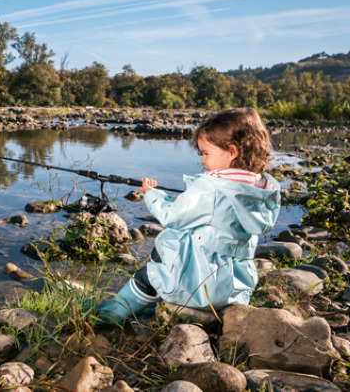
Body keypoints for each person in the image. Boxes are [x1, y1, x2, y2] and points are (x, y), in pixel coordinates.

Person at [97, 107, 281, 324]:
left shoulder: (210, 188)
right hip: (235, 287)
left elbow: (172, 217)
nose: (202, 161)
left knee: (148, 273)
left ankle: (108, 316)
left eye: (205, 153)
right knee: (170, 252)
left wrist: (153, 195)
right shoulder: (260, 187)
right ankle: (152, 309)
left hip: (202, 287)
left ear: (231, 151)